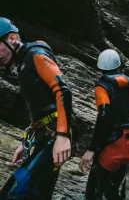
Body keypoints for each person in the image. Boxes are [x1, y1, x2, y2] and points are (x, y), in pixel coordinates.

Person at [0, 17, 72, 199]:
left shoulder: (35, 55)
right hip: (44, 135)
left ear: (12, 39)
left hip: (55, 135)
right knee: (39, 194)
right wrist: (26, 142)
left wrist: (62, 136)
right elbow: (40, 108)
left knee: (12, 194)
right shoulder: (23, 63)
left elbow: (63, 92)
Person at [79, 49, 129, 200]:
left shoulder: (102, 86)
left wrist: (91, 149)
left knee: (94, 192)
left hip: (110, 145)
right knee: (112, 191)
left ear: (100, 67)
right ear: (119, 65)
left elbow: (104, 115)